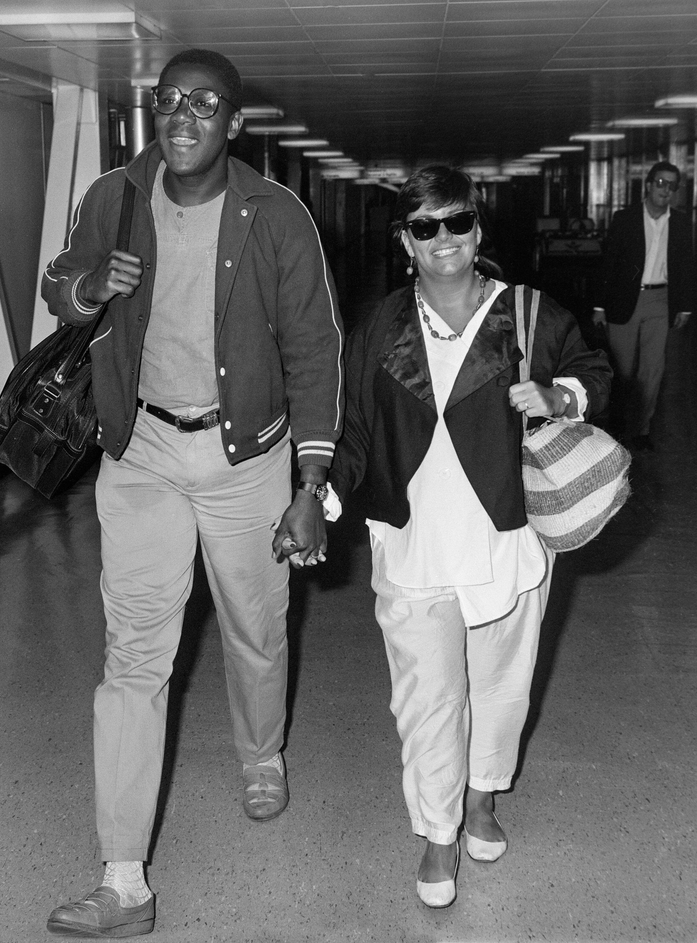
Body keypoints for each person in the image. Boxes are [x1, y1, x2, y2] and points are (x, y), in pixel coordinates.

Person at [42, 48, 344, 938]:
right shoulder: (114, 197)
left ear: (234, 123)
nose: (181, 117)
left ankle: (261, 753)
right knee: (133, 657)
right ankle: (123, 878)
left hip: (246, 454)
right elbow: (62, 281)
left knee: (256, 624)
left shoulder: (277, 216)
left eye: (203, 104)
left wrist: (310, 480)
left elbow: (315, 346)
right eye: (168, 101)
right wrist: (89, 288)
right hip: (139, 453)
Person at [327, 166, 611, 909]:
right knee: (425, 699)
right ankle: (438, 830)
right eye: (425, 227)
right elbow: (353, 429)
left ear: (478, 231)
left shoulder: (527, 313)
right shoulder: (380, 327)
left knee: (501, 688)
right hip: (413, 542)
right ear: (406, 241)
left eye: (457, 223)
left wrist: (559, 395)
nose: (443, 239)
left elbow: (595, 370)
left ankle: (483, 796)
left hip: (506, 540)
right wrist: (318, 497)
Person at [592, 160, 695, 452]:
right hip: (624, 300)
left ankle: (640, 430)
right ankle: (618, 425)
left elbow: (686, 265)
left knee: (652, 369)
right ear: (648, 185)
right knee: (623, 371)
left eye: (672, 185)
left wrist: (684, 307)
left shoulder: (681, 221)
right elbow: (608, 263)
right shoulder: (624, 219)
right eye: (660, 183)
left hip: (660, 300)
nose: (666, 190)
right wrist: (599, 306)